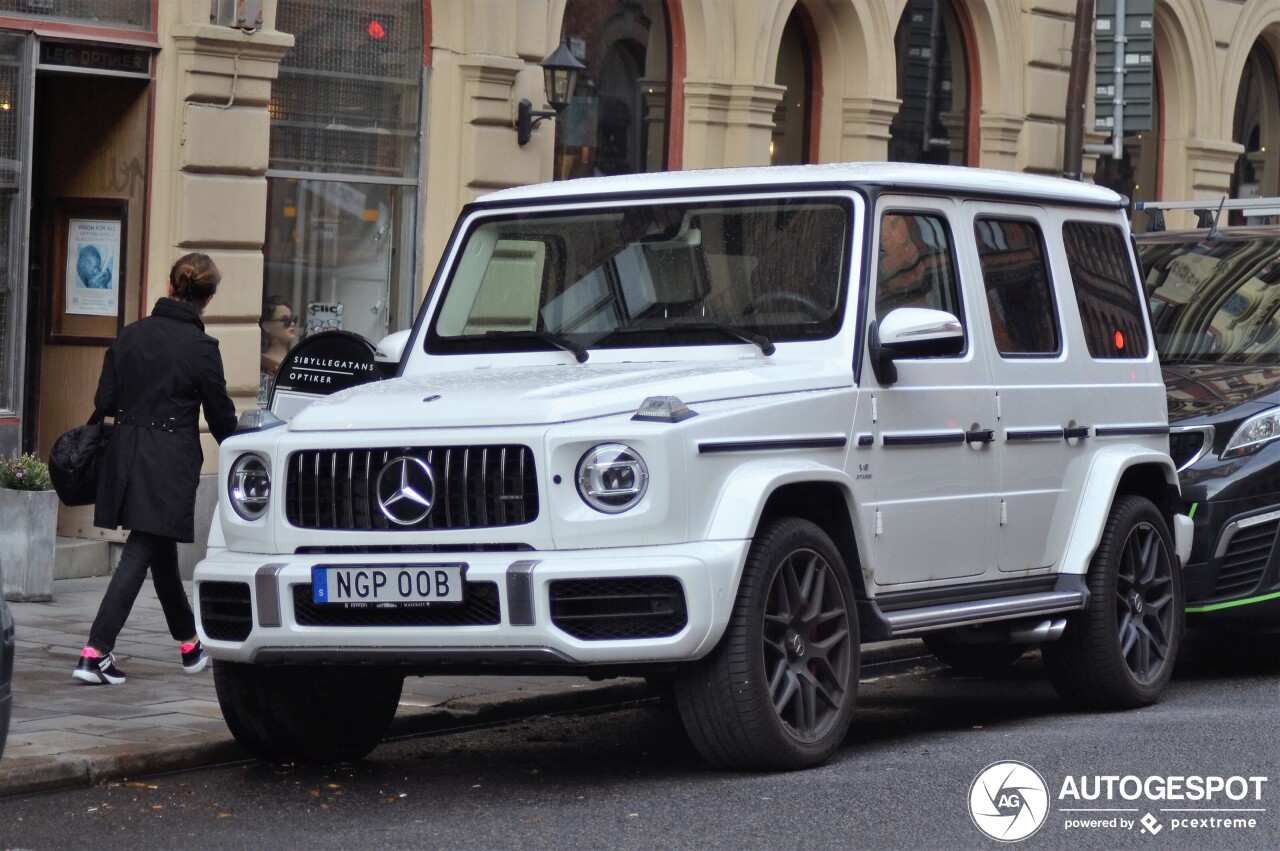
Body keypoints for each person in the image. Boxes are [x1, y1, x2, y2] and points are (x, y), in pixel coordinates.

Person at [73, 253, 239, 685]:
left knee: (159, 552)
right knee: (142, 549)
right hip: (169, 462)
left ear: (170, 285)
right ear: (207, 298)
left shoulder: (129, 336)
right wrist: (244, 450)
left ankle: (190, 646)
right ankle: (95, 652)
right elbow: (222, 420)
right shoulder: (203, 348)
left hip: (126, 457)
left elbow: (105, 402)